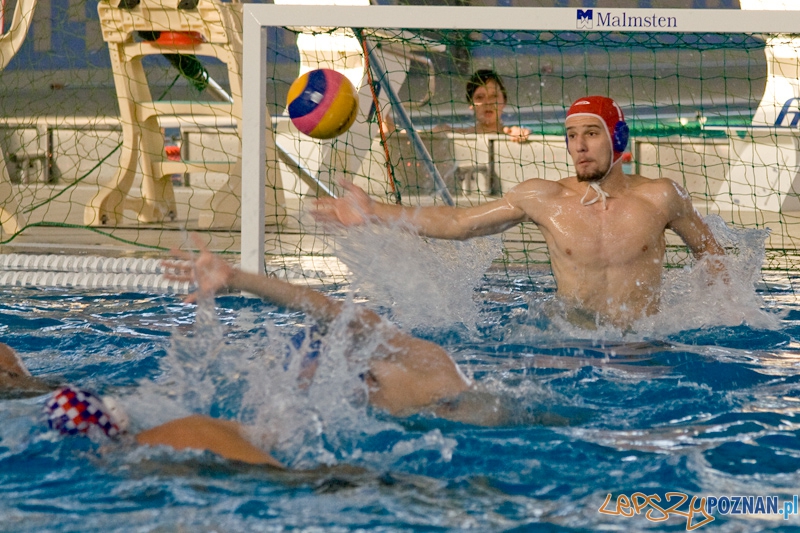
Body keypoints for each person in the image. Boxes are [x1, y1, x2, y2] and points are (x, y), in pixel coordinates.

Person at [0, 238, 560, 468]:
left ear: (356, 373)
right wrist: (238, 279)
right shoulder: (390, 383)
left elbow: (333, 312)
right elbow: (323, 310)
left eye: (308, 378)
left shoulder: (432, 375)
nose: (302, 390)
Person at [312, 95, 727, 329]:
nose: (578, 146)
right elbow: (459, 224)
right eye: (571, 136)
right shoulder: (542, 198)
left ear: (617, 138)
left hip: (645, 343)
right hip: (572, 344)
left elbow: (714, 259)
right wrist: (371, 210)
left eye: (591, 134)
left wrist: (707, 317)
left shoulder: (661, 197)